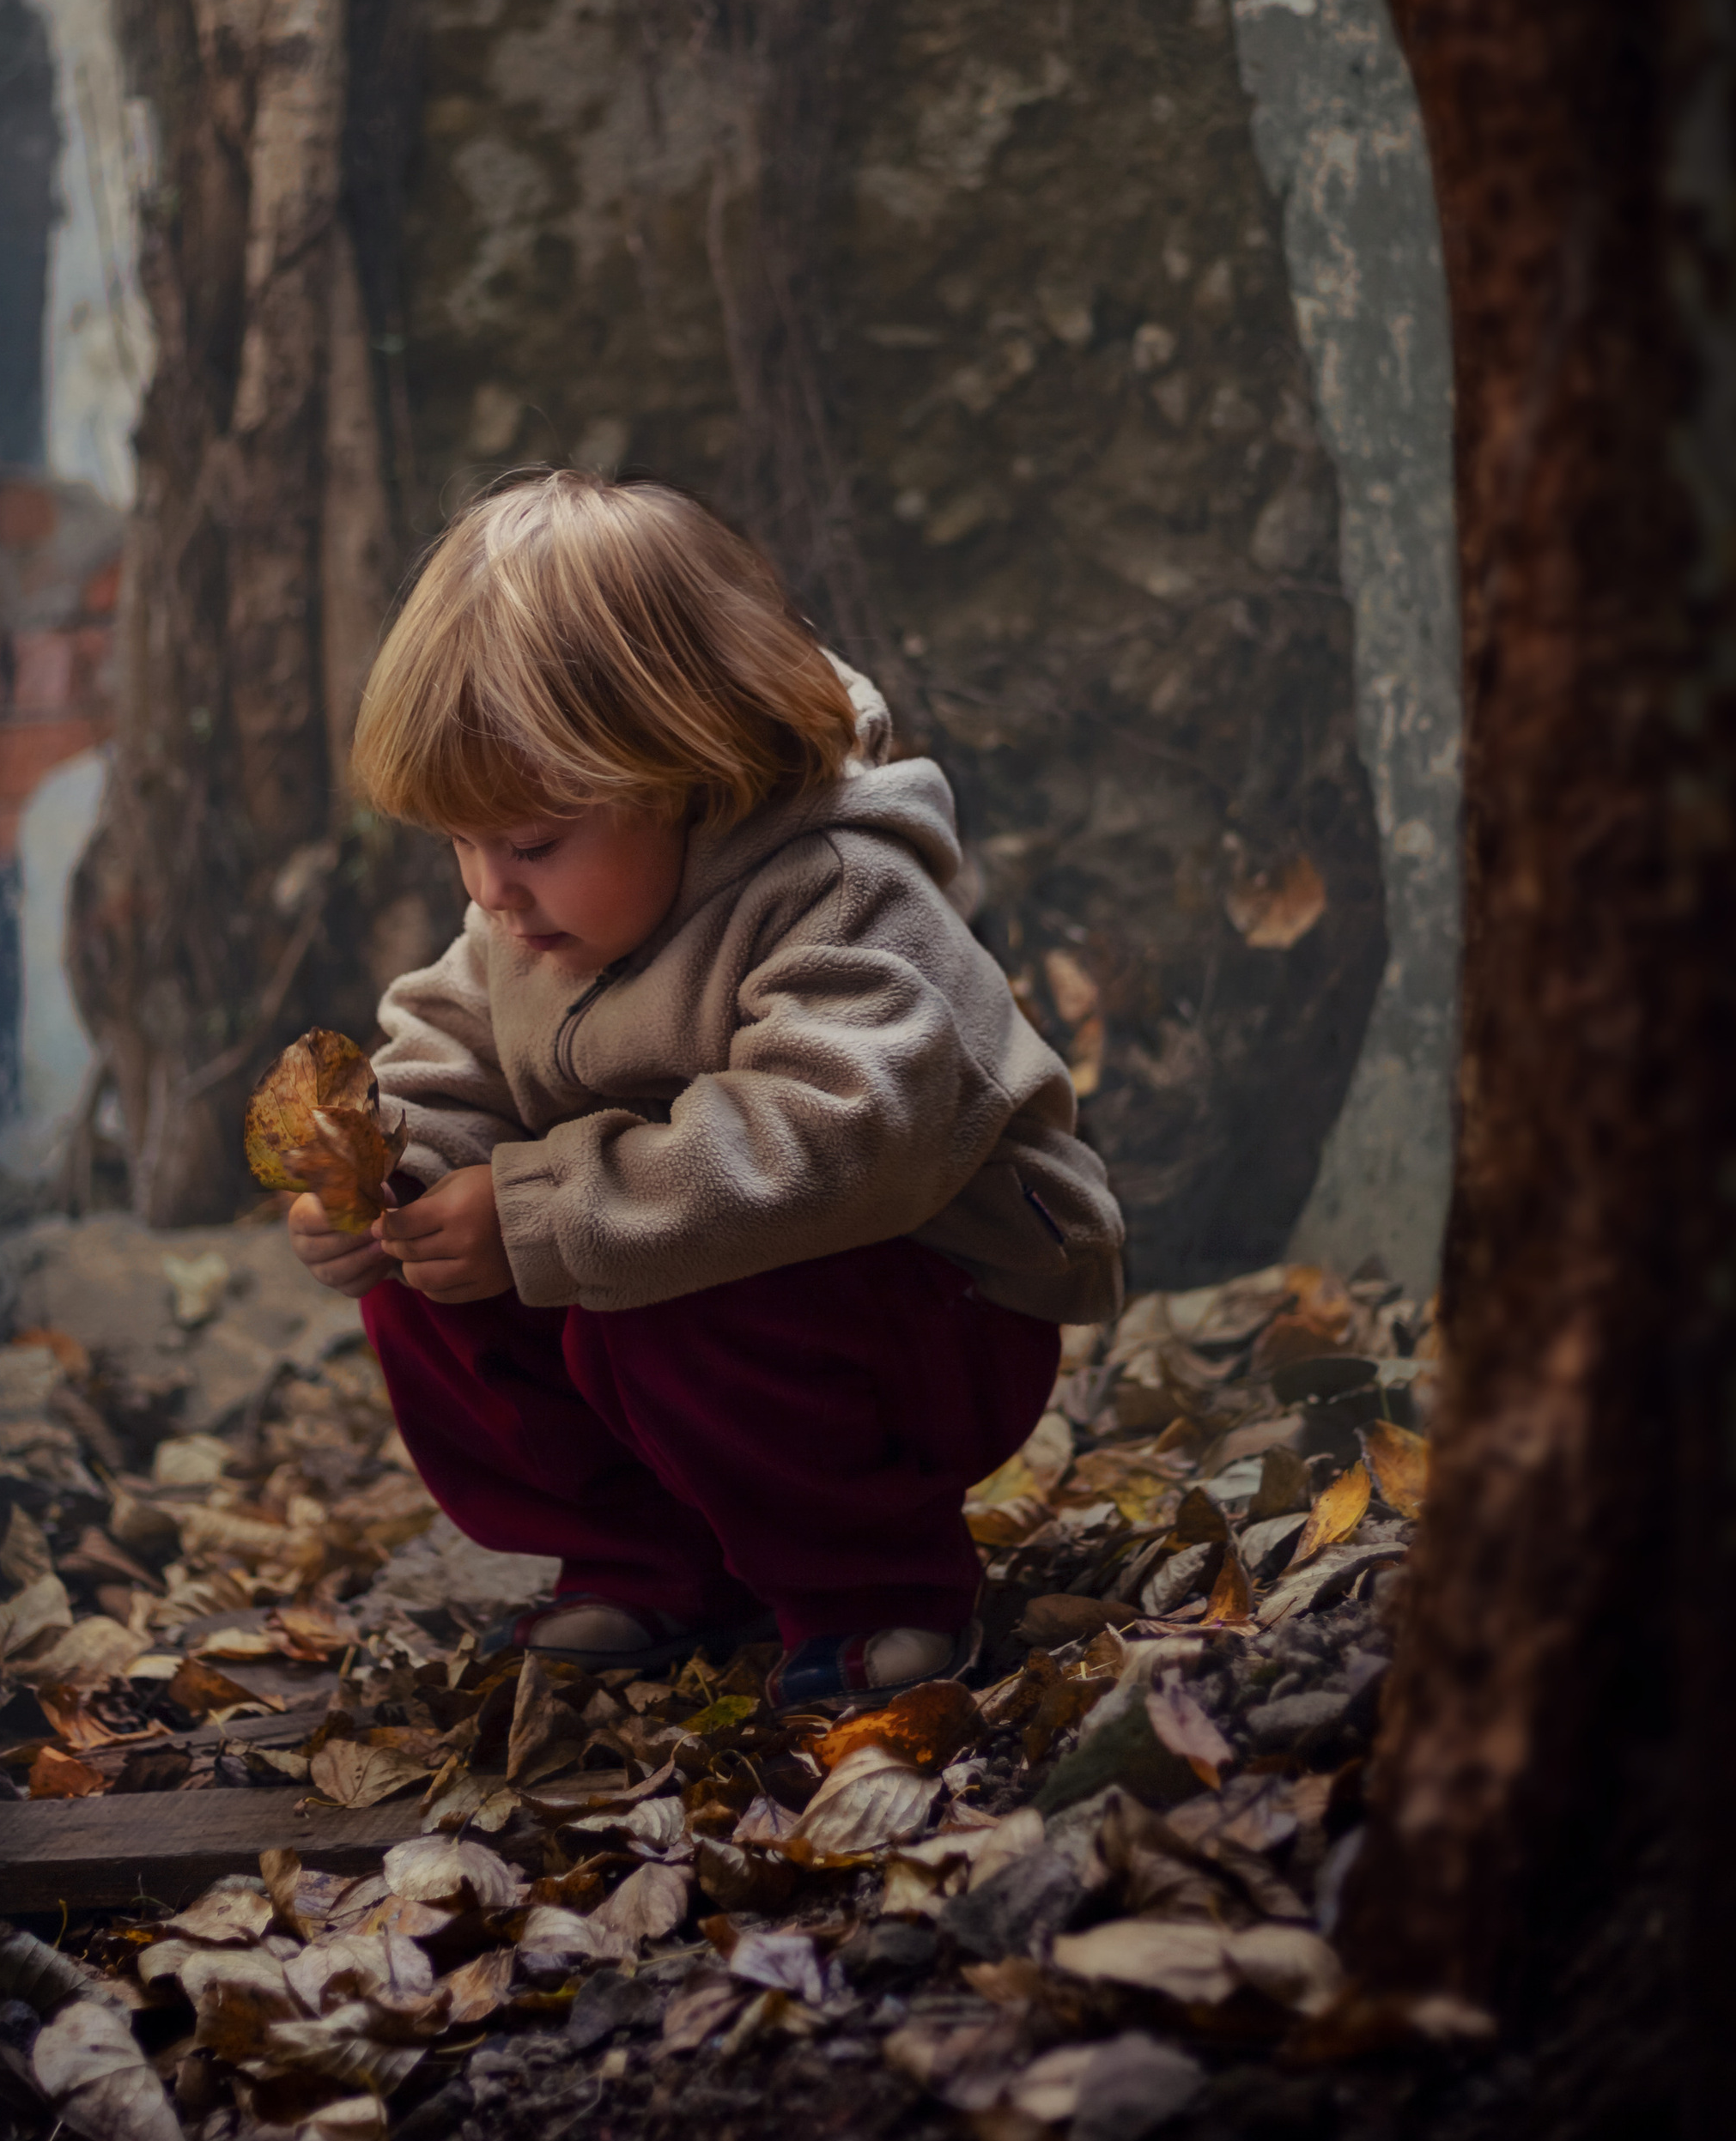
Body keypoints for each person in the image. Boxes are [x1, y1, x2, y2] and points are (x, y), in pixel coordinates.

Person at [287, 470, 1124, 1713]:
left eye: (529, 844)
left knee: (657, 1282)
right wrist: (391, 1179)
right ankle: (658, 1562)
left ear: (684, 771)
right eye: (459, 845)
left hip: (931, 1309)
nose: (491, 892)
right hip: (698, 1314)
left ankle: (877, 1584)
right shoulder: (524, 923)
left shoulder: (837, 889)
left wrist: (539, 1211)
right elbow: (445, 1052)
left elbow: (843, 1133)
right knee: (438, 1278)